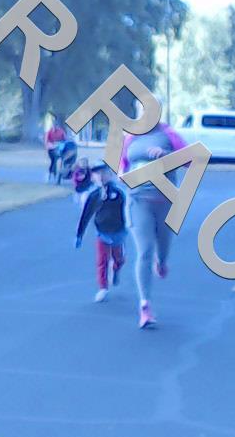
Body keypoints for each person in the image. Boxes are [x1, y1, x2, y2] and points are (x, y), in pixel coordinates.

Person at [119, 121, 189, 328]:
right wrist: (122, 175)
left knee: (163, 246)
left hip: (165, 201)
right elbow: (122, 164)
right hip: (138, 201)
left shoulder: (168, 134)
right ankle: (145, 306)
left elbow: (191, 161)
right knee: (145, 251)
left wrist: (167, 156)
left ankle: (162, 261)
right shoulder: (130, 137)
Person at [74, 161, 128, 302]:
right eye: (97, 174)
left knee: (119, 258)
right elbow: (86, 215)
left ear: (110, 175)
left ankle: (116, 268)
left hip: (118, 232)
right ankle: (103, 287)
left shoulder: (119, 193)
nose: (101, 176)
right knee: (102, 260)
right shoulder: (93, 195)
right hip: (102, 232)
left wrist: (131, 226)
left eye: (104, 173)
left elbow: (129, 210)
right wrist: (79, 234)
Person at [43, 115, 74, 181]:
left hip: (59, 148)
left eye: (56, 125)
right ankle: (51, 174)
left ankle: (57, 175)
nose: (54, 127)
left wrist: (62, 143)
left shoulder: (61, 131)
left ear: (57, 125)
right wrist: (50, 146)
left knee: (58, 161)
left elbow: (65, 139)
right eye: (53, 125)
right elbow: (46, 142)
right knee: (53, 161)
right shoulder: (49, 132)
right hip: (51, 149)